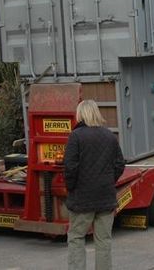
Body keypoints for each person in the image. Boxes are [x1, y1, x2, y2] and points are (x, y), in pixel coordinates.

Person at [64, 99, 125, 270]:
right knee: (104, 241)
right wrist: (108, 181)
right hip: (106, 198)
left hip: (82, 199)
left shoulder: (75, 136)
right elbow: (120, 164)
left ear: (80, 114)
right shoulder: (109, 136)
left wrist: (71, 187)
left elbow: (70, 167)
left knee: (76, 238)